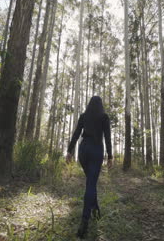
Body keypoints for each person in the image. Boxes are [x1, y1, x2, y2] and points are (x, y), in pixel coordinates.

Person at [66, 96, 112, 238]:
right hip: (97, 149)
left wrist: (69, 150)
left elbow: (76, 133)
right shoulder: (104, 117)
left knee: (91, 182)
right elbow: (108, 137)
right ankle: (84, 222)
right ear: (100, 105)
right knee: (91, 183)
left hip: (83, 150)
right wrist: (110, 156)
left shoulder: (84, 116)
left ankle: (95, 209)